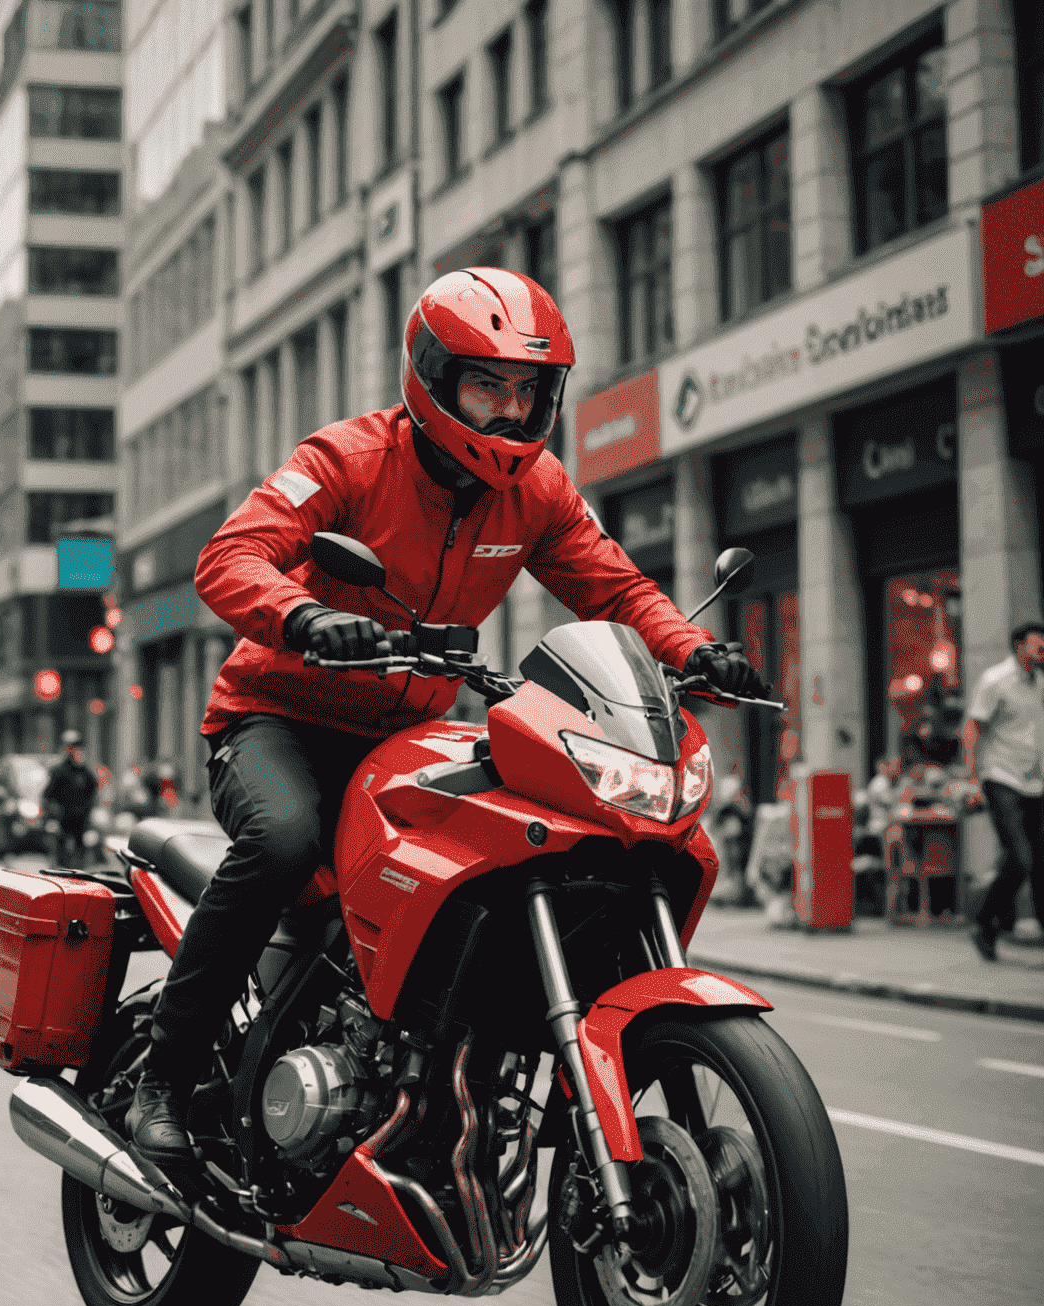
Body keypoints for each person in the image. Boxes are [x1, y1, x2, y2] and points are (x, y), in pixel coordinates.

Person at [126, 268, 768, 1158]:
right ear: (432, 378)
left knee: (502, 849)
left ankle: (438, 1068)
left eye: (527, 390)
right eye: (486, 385)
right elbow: (230, 558)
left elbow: (612, 585)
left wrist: (690, 648)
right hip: (278, 721)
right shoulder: (345, 461)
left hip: (404, 734)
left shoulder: (536, 489)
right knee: (283, 840)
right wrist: (306, 617)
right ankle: (165, 1075)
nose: (510, 410)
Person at [962, 620, 1044, 960]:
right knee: (1021, 857)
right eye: (1038, 645)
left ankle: (999, 925)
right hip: (1002, 778)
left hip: (1036, 781)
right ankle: (984, 921)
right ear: (1019, 646)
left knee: (1038, 859)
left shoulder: (1040, 682)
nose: (1043, 650)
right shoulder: (995, 680)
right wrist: (971, 780)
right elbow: (971, 729)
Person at [43, 730, 98, 865]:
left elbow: (93, 792)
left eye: (77, 747)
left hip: (81, 821)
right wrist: (51, 817)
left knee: (80, 855)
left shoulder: (86, 773)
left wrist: (89, 813)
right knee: (62, 856)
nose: (75, 751)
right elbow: (48, 795)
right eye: (71, 747)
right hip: (63, 819)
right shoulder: (59, 771)